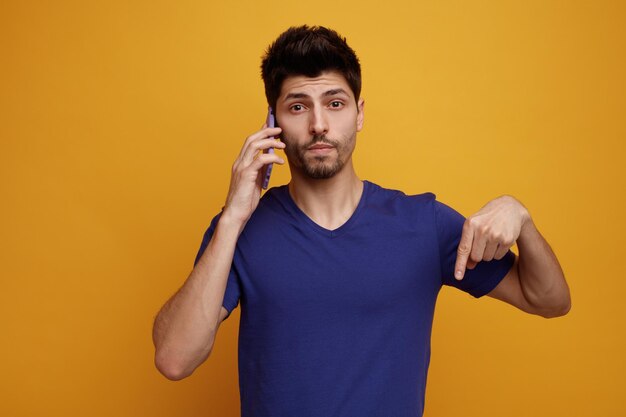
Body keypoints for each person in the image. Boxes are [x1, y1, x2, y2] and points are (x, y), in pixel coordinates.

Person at [152, 25, 571, 417]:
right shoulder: (241, 230)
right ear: (274, 124)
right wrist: (232, 217)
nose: (319, 125)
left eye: (335, 104)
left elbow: (548, 300)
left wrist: (522, 218)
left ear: (359, 113)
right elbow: (174, 359)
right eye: (298, 107)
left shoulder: (423, 224)